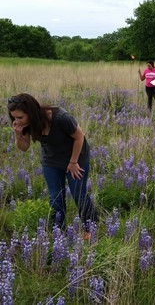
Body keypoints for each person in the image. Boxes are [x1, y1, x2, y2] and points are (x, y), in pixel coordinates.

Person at [7, 93, 97, 235]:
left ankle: (90, 230)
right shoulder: (26, 124)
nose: (17, 121)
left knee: (78, 194)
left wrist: (73, 162)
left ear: (31, 112)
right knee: (56, 197)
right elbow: (24, 147)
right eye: (14, 118)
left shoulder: (60, 117)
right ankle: (58, 232)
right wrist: (17, 134)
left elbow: (79, 137)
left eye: (20, 117)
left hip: (76, 157)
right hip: (51, 160)